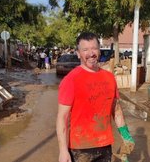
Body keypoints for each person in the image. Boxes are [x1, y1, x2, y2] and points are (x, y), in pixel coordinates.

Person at [56, 32, 135, 162]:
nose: (91, 53)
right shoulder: (71, 80)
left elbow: (116, 109)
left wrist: (126, 136)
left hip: (105, 146)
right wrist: (63, 151)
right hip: (80, 149)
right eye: (85, 49)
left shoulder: (109, 77)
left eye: (94, 48)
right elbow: (62, 118)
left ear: (99, 51)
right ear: (78, 53)